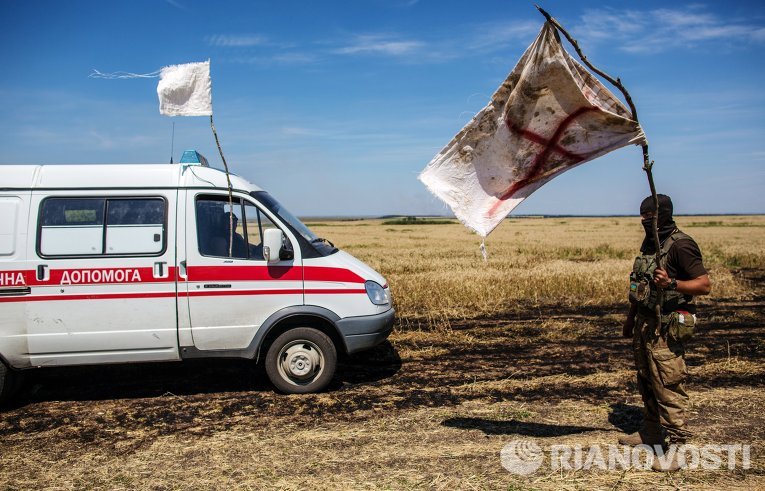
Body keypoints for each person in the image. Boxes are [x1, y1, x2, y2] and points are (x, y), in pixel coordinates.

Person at [619, 194, 711, 472]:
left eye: (649, 217)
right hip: (644, 323)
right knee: (646, 378)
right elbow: (640, 287)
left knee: (667, 384)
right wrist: (631, 318)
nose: (645, 221)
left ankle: (678, 447)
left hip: (667, 326)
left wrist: (671, 282)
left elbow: (704, 285)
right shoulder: (650, 244)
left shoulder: (681, 245)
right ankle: (651, 431)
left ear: (662, 216)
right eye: (642, 217)